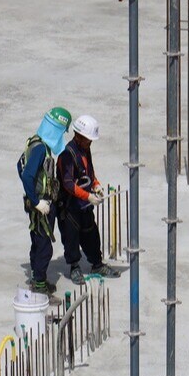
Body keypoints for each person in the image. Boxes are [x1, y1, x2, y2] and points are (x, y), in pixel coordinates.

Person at [57, 115, 121, 284]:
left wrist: (96, 185)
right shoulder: (67, 155)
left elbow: (89, 173)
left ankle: (97, 264)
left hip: (85, 205)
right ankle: (74, 267)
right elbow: (68, 184)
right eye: (88, 140)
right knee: (71, 238)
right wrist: (88, 196)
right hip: (71, 206)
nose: (90, 143)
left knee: (91, 234)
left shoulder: (85, 150)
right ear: (78, 136)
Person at [18, 107, 72, 294]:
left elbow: (20, 165)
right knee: (44, 246)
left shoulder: (34, 142)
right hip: (41, 205)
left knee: (37, 241)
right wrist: (36, 201)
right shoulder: (41, 149)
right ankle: (39, 286)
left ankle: (37, 278)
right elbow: (27, 175)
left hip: (37, 203)